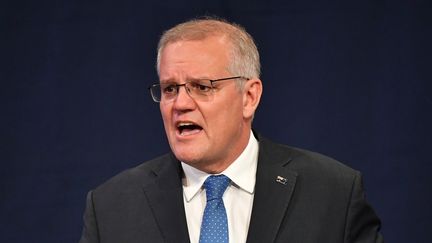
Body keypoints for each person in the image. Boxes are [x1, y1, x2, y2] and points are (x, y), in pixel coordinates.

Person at [79, 17, 383, 243]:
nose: (180, 103)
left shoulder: (334, 194)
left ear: (249, 97)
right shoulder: (111, 207)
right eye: (170, 88)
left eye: (202, 86)